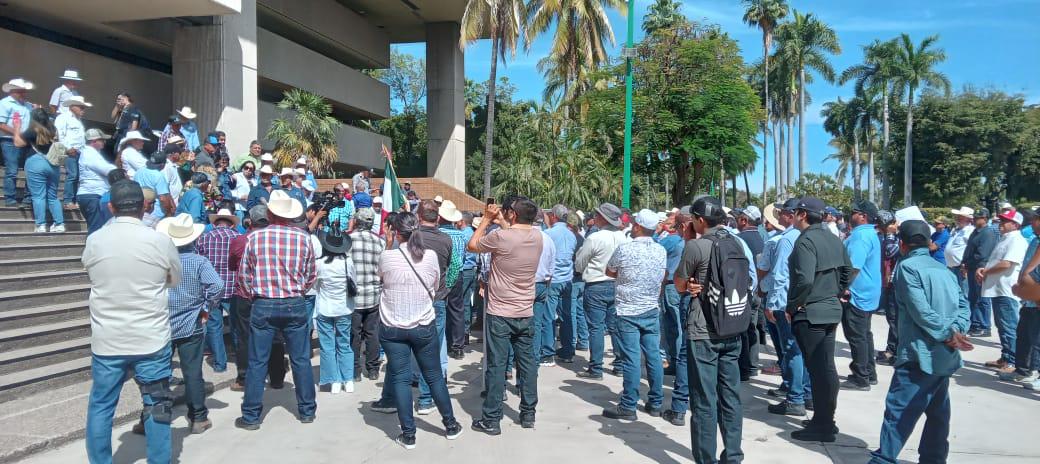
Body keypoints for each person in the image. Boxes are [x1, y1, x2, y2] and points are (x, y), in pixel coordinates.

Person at [82, 181, 181, 464]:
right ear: (143, 207)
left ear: (111, 207)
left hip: (108, 339)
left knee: (101, 406)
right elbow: (174, 279)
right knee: (157, 404)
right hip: (151, 338)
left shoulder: (95, 239)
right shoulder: (159, 240)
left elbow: (90, 270)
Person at [868, 220, 972, 464]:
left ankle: (883, 460)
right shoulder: (944, 270)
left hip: (919, 353)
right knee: (937, 413)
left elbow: (920, 310)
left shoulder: (907, 267)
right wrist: (955, 331)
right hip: (945, 354)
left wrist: (948, 333)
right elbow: (964, 306)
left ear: (902, 244)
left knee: (899, 412)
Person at [374, 212, 463, 449]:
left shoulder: (387, 257)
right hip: (423, 324)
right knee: (433, 375)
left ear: (395, 232)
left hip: (393, 326)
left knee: (401, 379)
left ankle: (409, 434)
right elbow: (434, 285)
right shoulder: (430, 256)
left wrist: (388, 242)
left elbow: (381, 278)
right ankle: (451, 425)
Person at [235, 190, 317, 430]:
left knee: (257, 361)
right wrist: (298, 288)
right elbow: (311, 274)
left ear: (270, 212)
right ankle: (307, 410)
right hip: (294, 301)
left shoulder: (255, 238)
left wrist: (255, 295)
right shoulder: (303, 238)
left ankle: (251, 415)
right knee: (301, 358)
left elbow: (244, 276)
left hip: (264, 302)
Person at [674, 196, 747, 462]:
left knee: (704, 400)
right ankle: (734, 456)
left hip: (703, 331)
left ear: (700, 220)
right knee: (730, 397)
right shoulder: (735, 242)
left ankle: (706, 459)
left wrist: (689, 242)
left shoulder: (696, 247)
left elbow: (680, 284)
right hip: (732, 327)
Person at [468, 197, 543, 435]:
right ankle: (528, 413)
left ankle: (491, 418)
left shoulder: (501, 237)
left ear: (512, 213)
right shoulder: (538, 236)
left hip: (500, 311)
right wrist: (502, 221)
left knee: (497, 365)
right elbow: (514, 237)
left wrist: (487, 220)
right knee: (527, 363)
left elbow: (473, 245)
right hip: (525, 310)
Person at [786, 197, 853, 443]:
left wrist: (793, 304)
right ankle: (825, 420)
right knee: (826, 367)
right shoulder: (833, 238)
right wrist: (835, 292)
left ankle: (823, 424)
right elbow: (848, 271)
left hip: (811, 312)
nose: (791, 216)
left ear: (802, 214)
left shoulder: (806, 240)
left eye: (794, 212)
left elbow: (804, 279)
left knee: (818, 369)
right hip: (830, 309)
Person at [155, 213, 223, 434]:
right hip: (190, 321)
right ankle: (198, 417)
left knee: (157, 372)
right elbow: (217, 286)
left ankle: (153, 418)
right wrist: (207, 307)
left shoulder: (161, 261)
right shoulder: (198, 262)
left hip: (161, 322)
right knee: (192, 372)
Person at [602, 209, 666, 420]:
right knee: (654, 356)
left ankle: (629, 405)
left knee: (631, 358)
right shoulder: (660, 250)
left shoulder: (625, 249)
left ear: (637, 227)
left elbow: (610, 271)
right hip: (650, 308)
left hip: (627, 310)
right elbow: (662, 275)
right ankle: (656, 402)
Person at [228, 205, 286, 391]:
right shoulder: (277, 239)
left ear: (249, 221)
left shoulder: (240, 240)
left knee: (244, 336)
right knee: (275, 335)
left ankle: (245, 376)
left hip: (245, 293)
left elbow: (232, 265)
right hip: (270, 291)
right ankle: (276, 377)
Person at [763, 199, 812, 417]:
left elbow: (780, 275)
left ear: (791, 215)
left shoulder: (787, 240)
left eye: (781, 213)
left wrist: (773, 304)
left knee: (791, 351)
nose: (779, 217)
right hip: (805, 302)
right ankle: (806, 393)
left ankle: (795, 398)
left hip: (785, 302)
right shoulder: (811, 237)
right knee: (803, 350)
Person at [574, 202, 628, 379]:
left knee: (596, 327)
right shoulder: (623, 237)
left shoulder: (594, 238)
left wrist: (583, 269)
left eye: (597, 215)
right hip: (617, 284)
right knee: (615, 327)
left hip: (596, 284)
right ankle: (620, 365)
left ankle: (596, 367)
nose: (594, 217)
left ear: (602, 219)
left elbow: (580, 263)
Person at [978, 209, 1028, 373]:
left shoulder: (1016, 240)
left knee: (1008, 327)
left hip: (1005, 290)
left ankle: (1012, 361)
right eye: (1000, 220)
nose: (1001, 223)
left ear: (1015, 224)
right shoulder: (1006, 238)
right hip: (997, 289)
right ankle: (1006, 356)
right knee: (1002, 326)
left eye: (1005, 221)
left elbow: (1007, 263)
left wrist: (986, 272)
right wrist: (983, 270)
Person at [841, 200, 883, 391]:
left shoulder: (860, 236)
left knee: (857, 336)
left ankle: (861, 377)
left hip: (857, 293)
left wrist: (841, 287)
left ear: (863, 216)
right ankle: (869, 372)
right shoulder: (869, 233)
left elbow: (853, 268)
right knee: (864, 334)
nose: (851, 215)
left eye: (854, 212)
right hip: (867, 292)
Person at [196, 208, 242, 373]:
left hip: (211, 289)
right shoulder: (238, 237)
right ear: (231, 224)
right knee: (237, 325)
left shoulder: (204, 238)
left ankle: (220, 363)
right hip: (233, 287)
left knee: (215, 326)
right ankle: (240, 358)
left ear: (215, 223)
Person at [314, 228, 357, 394]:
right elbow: (353, 281)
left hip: (325, 307)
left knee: (327, 345)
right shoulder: (348, 262)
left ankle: (334, 381)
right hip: (344, 307)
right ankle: (348, 379)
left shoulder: (319, 264)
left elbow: (315, 285)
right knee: (344, 343)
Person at [14, 108, 64, 233]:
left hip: (35, 162)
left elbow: (18, 143)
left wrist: (17, 128)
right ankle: (59, 224)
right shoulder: (53, 130)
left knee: (38, 196)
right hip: (53, 164)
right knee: (53, 196)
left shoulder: (32, 130)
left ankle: (41, 225)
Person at [1004, 210, 1040, 384]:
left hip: (1037, 297)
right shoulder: (1034, 240)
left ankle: (1036, 372)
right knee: (1024, 335)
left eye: (1035, 219)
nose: (1032, 222)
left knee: (1037, 339)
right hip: (1028, 299)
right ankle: (1022, 370)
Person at [350, 207, 384, 380]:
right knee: (372, 333)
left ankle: (355, 371)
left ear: (357, 221)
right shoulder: (380, 242)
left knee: (354, 334)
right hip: (374, 294)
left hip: (353, 297)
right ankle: (372, 369)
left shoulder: (348, 240)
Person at [734, 206, 766, 380]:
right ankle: (752, 366)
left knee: (742, 330)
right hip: (757, 290)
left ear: (744, 220)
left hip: (745, 290)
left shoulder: (739, 240)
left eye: (739, 218)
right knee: (751, 328)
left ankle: (744, 368)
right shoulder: (762, 239)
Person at [545, 205, 579, 363]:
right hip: (567, 279)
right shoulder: (572, 235)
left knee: (548, 317)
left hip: (553, 280)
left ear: (553, 216)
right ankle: (567, 350)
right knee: (567, 316)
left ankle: (547, 352)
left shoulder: (548, 234)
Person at [438, 201, 469, 359]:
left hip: (443, 275)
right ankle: (458, 346)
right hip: (459, 275)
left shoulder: (439, 234)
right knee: (457, 309)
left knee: (440, 309)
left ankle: (444, 342)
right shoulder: (461, 235)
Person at [963, 208, 999, 337]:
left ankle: (984, 326)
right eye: (975, 217)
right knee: (973, 297)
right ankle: (975, 324)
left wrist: (970, 264)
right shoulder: (975, 232)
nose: (975, 219)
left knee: (981, 298)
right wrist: (965, 263)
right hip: (972, 268)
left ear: (985, 219)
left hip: (980, 269)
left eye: (978, 218)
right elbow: (969, 249)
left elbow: (983, 254)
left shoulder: (987, 233)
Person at [1, 78, 35, 207]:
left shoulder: (27, 105)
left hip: (26, 141)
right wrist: (18, 134)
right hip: (9, 140)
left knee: (30, 169)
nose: (24, 93)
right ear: (13, 90)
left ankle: (27, 198)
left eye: (24, 91)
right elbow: (1, 124)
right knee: (12, 170)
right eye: (21, 91)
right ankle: (10, 198)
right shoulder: (5, 103)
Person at [76, 129, 117, 234]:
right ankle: (91, 249)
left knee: (96, 227)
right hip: (92, 194)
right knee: (96, 229)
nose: (104, 142)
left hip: (91, 194)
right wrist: (119, 171)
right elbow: (105, 169)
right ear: (93, 141)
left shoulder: (92, 153)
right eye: (102, 140)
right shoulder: (89, 153)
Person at [55, 95, 90, 209]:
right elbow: (60, 134)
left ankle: (73, 200)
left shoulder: (78, 120)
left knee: (77, 176)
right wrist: (68, 148)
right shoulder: (63, 118)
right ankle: (68, 200)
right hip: (70, 151)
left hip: (80, 152)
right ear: (72, 106)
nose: (83, 110)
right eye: (81, 107)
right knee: (72, 175)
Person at [532, 218, 558, 366]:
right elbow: (551, 267)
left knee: (516, 325)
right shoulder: (548, 239)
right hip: (542, 284)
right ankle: (534, 361)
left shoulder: (523, 238)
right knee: (536, 324)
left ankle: (512, 363)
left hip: (526, 285)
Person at [945, 207, 976, 294]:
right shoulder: (956, 230)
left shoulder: (970, 231)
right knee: (954, 293)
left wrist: (966, 266)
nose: (958, 218)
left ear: (969, 219)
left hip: (961, 268)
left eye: (961, 217)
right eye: (958, 216)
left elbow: (972, 249)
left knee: (964, 293)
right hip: (951, 267)